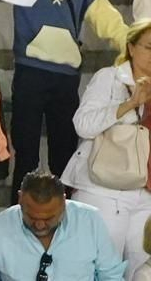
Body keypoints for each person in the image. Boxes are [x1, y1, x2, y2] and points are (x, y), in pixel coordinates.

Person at [6, 0, 130, 187]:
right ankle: (19, 213)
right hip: (31, 72)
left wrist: (134, 50)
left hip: (65, 78)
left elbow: (112, 25)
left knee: (64, 153)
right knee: (25, 151)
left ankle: (63, 214)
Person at [63, 19, 151, 274]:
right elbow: (83, 125)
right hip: (103, 188)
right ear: (132, 48)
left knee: (141, 270)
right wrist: (129, 104)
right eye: (149, 47)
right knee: (99, 269)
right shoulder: (109, 78)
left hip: (145, 193)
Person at [0, 171, 126, 281]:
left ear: (64, 202)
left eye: (49, 218)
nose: (39, 225)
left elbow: (111, 276)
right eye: (31, 216)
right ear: (19, 199)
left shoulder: (91, 221)